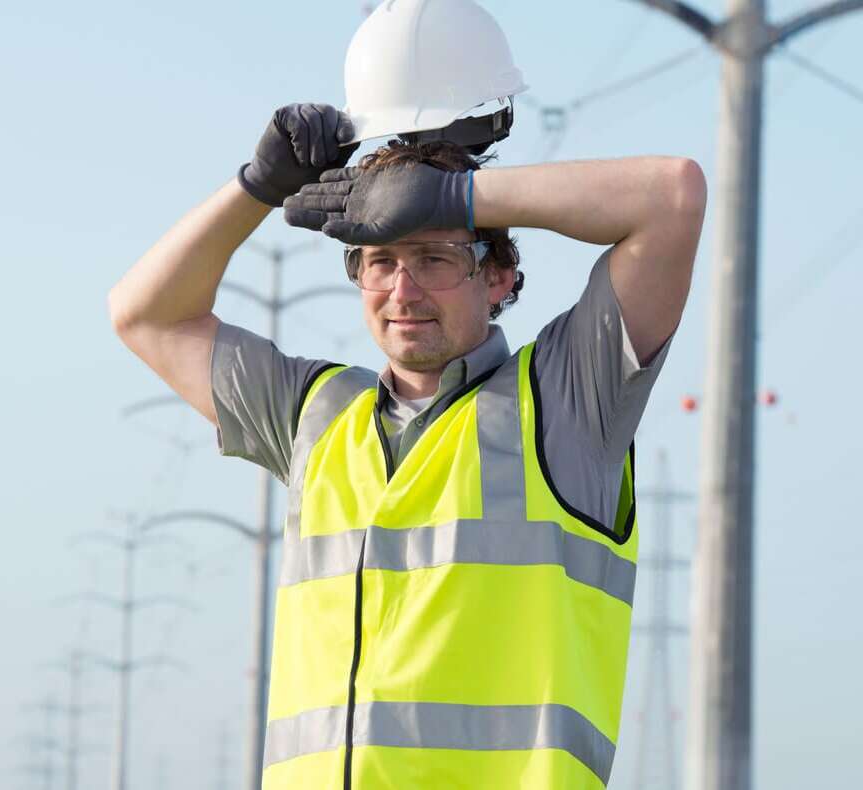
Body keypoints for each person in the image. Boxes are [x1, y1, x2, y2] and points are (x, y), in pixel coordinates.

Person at [108, 103, 706, 789]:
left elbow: (672, 198)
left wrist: (459, 196)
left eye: (435, 259)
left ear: (498, 277)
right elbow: (144, 314)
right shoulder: (313, 414)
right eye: (380, 260)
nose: (403, 289)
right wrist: (256, 187)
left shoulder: (567, 402)